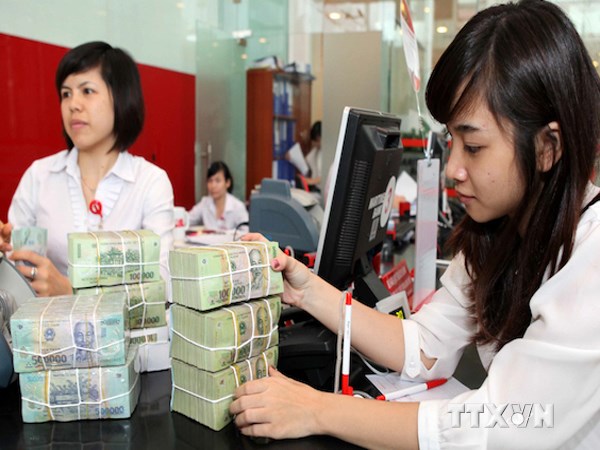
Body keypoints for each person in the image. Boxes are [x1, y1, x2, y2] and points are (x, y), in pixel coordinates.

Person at [229, 1, 600, 448]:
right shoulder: (500, 232)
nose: (453, 169)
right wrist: (308, 291)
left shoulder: (592, 255)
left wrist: (315, 410)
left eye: (474, 147)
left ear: (547, 147)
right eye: (451, 141)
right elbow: (424, 346)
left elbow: (506, 423)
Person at [0, 41, 174, 297]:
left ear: (121, 97)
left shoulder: (150, 182)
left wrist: (72, 292)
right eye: (66, 94)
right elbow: (14, 279)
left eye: (87, 91)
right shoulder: (39, 175)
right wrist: (6, 256)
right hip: (46, 322)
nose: (73, 104)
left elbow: (162, 286)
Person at [188, 161, 248, 231]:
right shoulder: (205, 203)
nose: (213, 186)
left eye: (218, 181)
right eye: (210, 181)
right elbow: (187, 219)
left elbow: (246, 231)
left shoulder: (237, 206)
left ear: (227, 183)